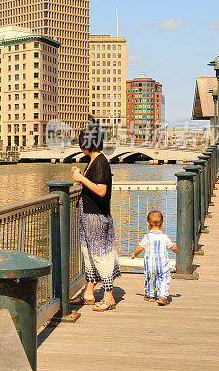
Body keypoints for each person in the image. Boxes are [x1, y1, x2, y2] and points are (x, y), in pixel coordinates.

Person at [69, 122, 120, 311]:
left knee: (101, 256)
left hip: (96, 217)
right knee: (89, 256)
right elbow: (94, 183)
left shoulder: (101, 162)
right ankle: (88, 293)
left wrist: (82, 179)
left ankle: (109, 296)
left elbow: (101, 190)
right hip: (88, 215)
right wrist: (83, 175)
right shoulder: (93, 161)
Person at [131, 210, 178, 306]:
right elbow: (173, 247)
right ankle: (162, 296)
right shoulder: (165, 237)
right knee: (163, 279)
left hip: (149, 264)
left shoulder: (146, 237)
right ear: (163, 224)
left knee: (149, 278)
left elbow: (139, 248)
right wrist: (175, 250)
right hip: (162, 264)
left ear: (148, 224)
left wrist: (134, 254)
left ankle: (150, 295)